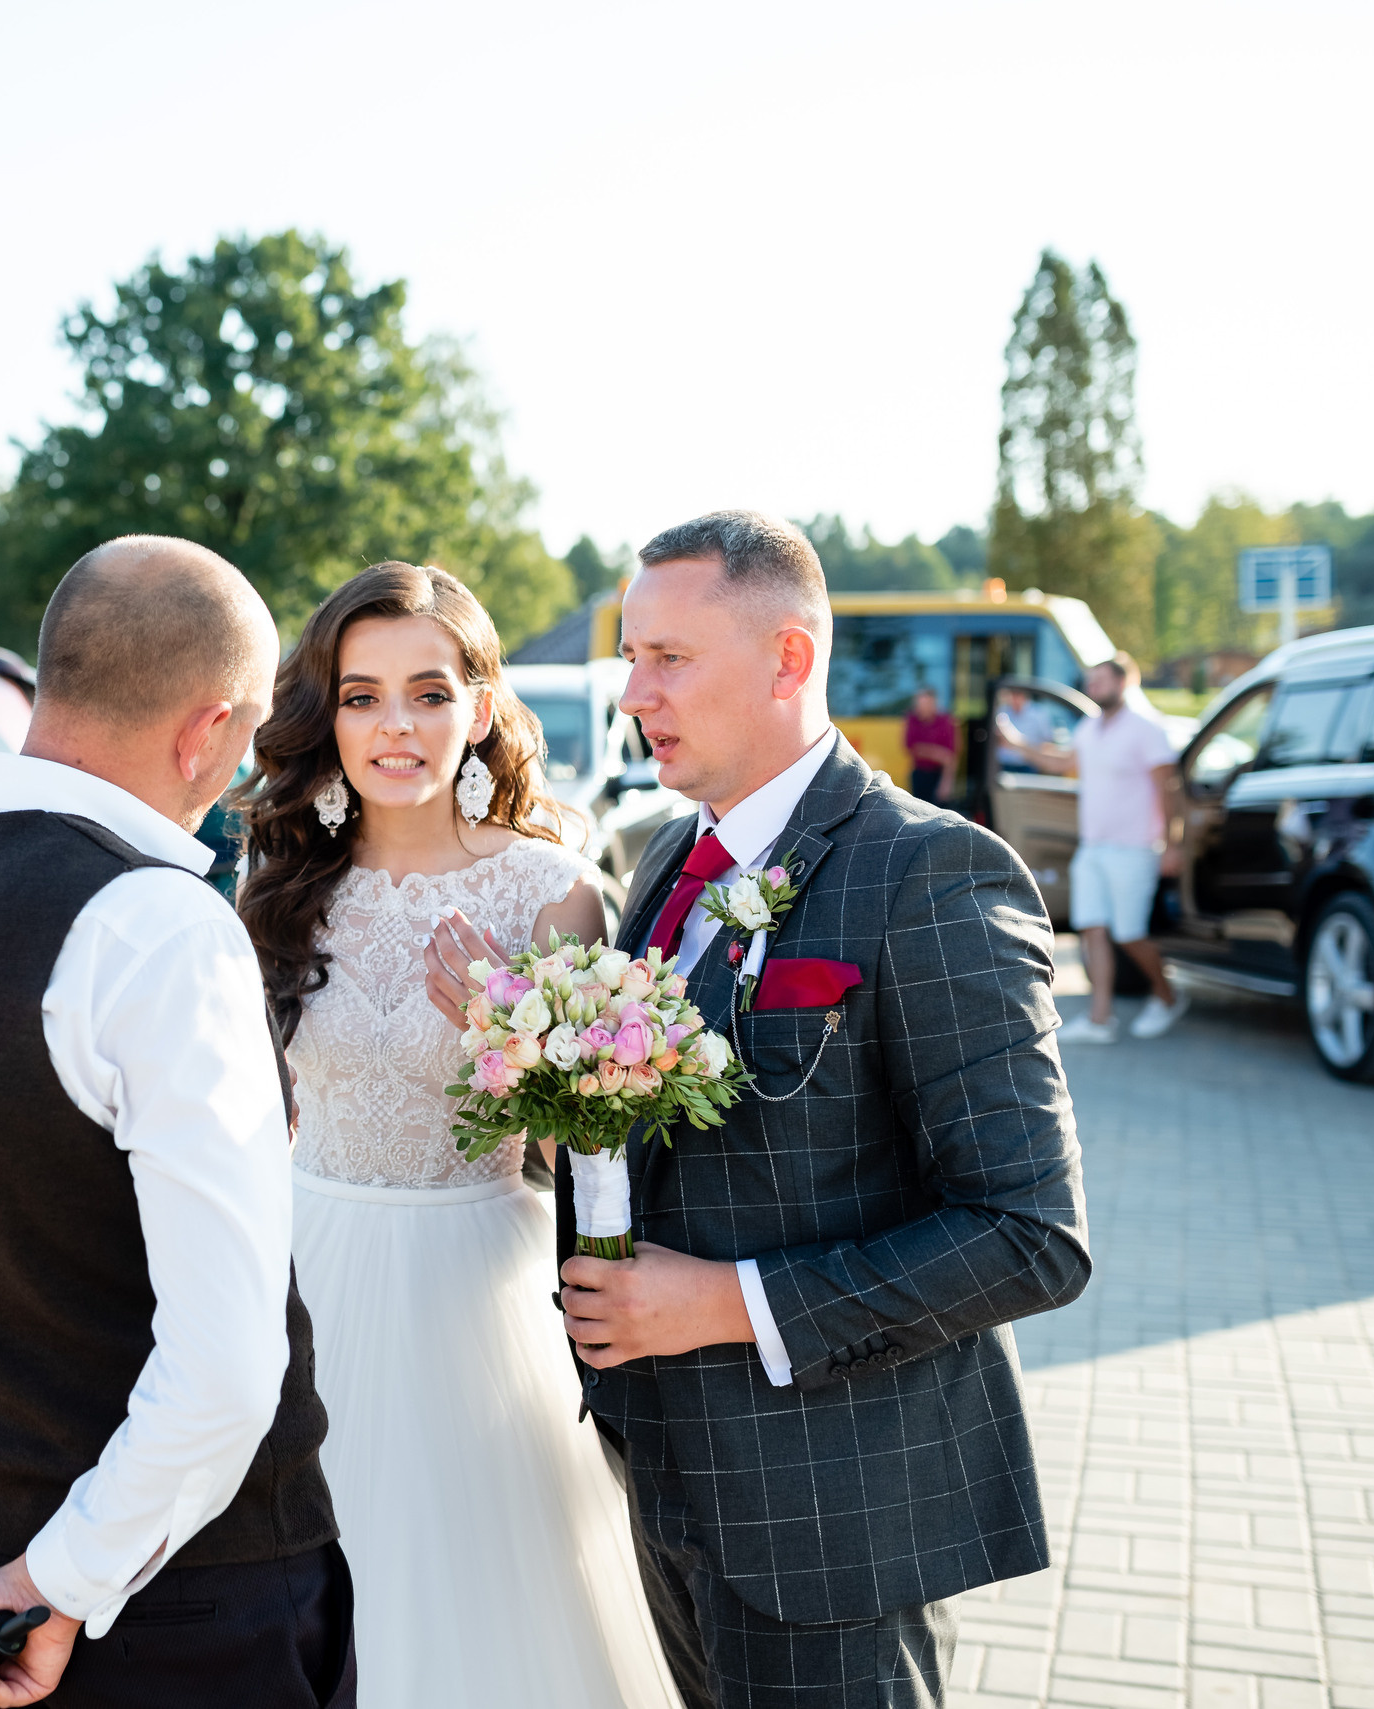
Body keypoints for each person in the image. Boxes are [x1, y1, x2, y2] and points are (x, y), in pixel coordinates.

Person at [429, 511, 1090, 1709]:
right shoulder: (668, 866)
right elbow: (631, 1138)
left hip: (825, 1512)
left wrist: (724, 1303)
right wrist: (519, 1059)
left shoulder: (931, 872)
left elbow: (1029, 1234)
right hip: (657, 1462)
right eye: (633, 658)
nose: (634, 692)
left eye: (667, 658)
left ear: (788, 658)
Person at [0, 536, 352, 1709]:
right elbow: (222, 1364)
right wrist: (60, 1579)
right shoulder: (158, 924)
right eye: (253, 729)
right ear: (206, 729)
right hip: (168, 1593)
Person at [238, 562, 676, 1709]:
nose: (396, 726)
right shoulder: (278, 884)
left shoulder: (552, 891)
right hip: (307, 1263)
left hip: (476, 1277)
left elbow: (596, 1148)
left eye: (429, 692)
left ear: (479, 708)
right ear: (324, 715)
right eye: (361, 694)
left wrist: (510, 1034)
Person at [1017, 653, 1188, 1044]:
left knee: (1128, 934)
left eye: (1100, 680)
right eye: (1090, 680)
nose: (1092, 687)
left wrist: (1173, 845)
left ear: (1124, 682)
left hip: (1135, 848)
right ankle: (1100, 1019)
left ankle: (1169, 997)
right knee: (1092, 929)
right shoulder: (1090, 729)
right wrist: (1016, 743)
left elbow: (1169, 789)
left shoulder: (1147, 728)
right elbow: (1062, 764)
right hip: (1092, 848)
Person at [902, 685, 956, 806]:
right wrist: (939, 754)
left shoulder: (945, 720)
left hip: (939, 774)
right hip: (919, 774)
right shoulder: (912, 719)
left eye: (924, 704)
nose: (920, 707)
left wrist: (946, 782)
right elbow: (911, 747)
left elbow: (950, 755)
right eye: (919, 704)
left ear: (933, 703)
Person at [992, 685, 1053, 775]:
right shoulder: (1002, 712)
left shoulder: (1039, 714)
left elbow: (1047, 742)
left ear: (1024, 696)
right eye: (1012, 694)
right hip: (1003, 765)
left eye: (1017, 695)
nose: (1013, 699)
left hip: (1028, 766)